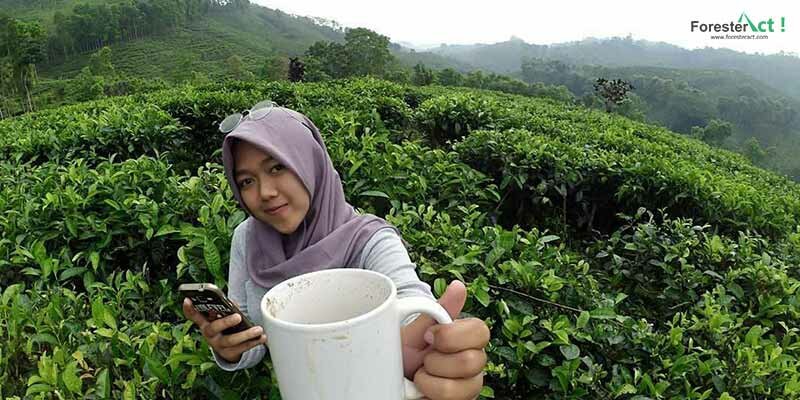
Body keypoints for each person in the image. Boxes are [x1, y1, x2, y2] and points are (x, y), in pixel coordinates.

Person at [182, 101, 490, 400]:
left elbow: (410, 299)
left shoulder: (368, 238)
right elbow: (256, 336)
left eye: (277, 167)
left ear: (309, 162)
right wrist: (230, 346)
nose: (265, 193)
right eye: (247, 181)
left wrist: (433, 348)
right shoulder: (247, 237)